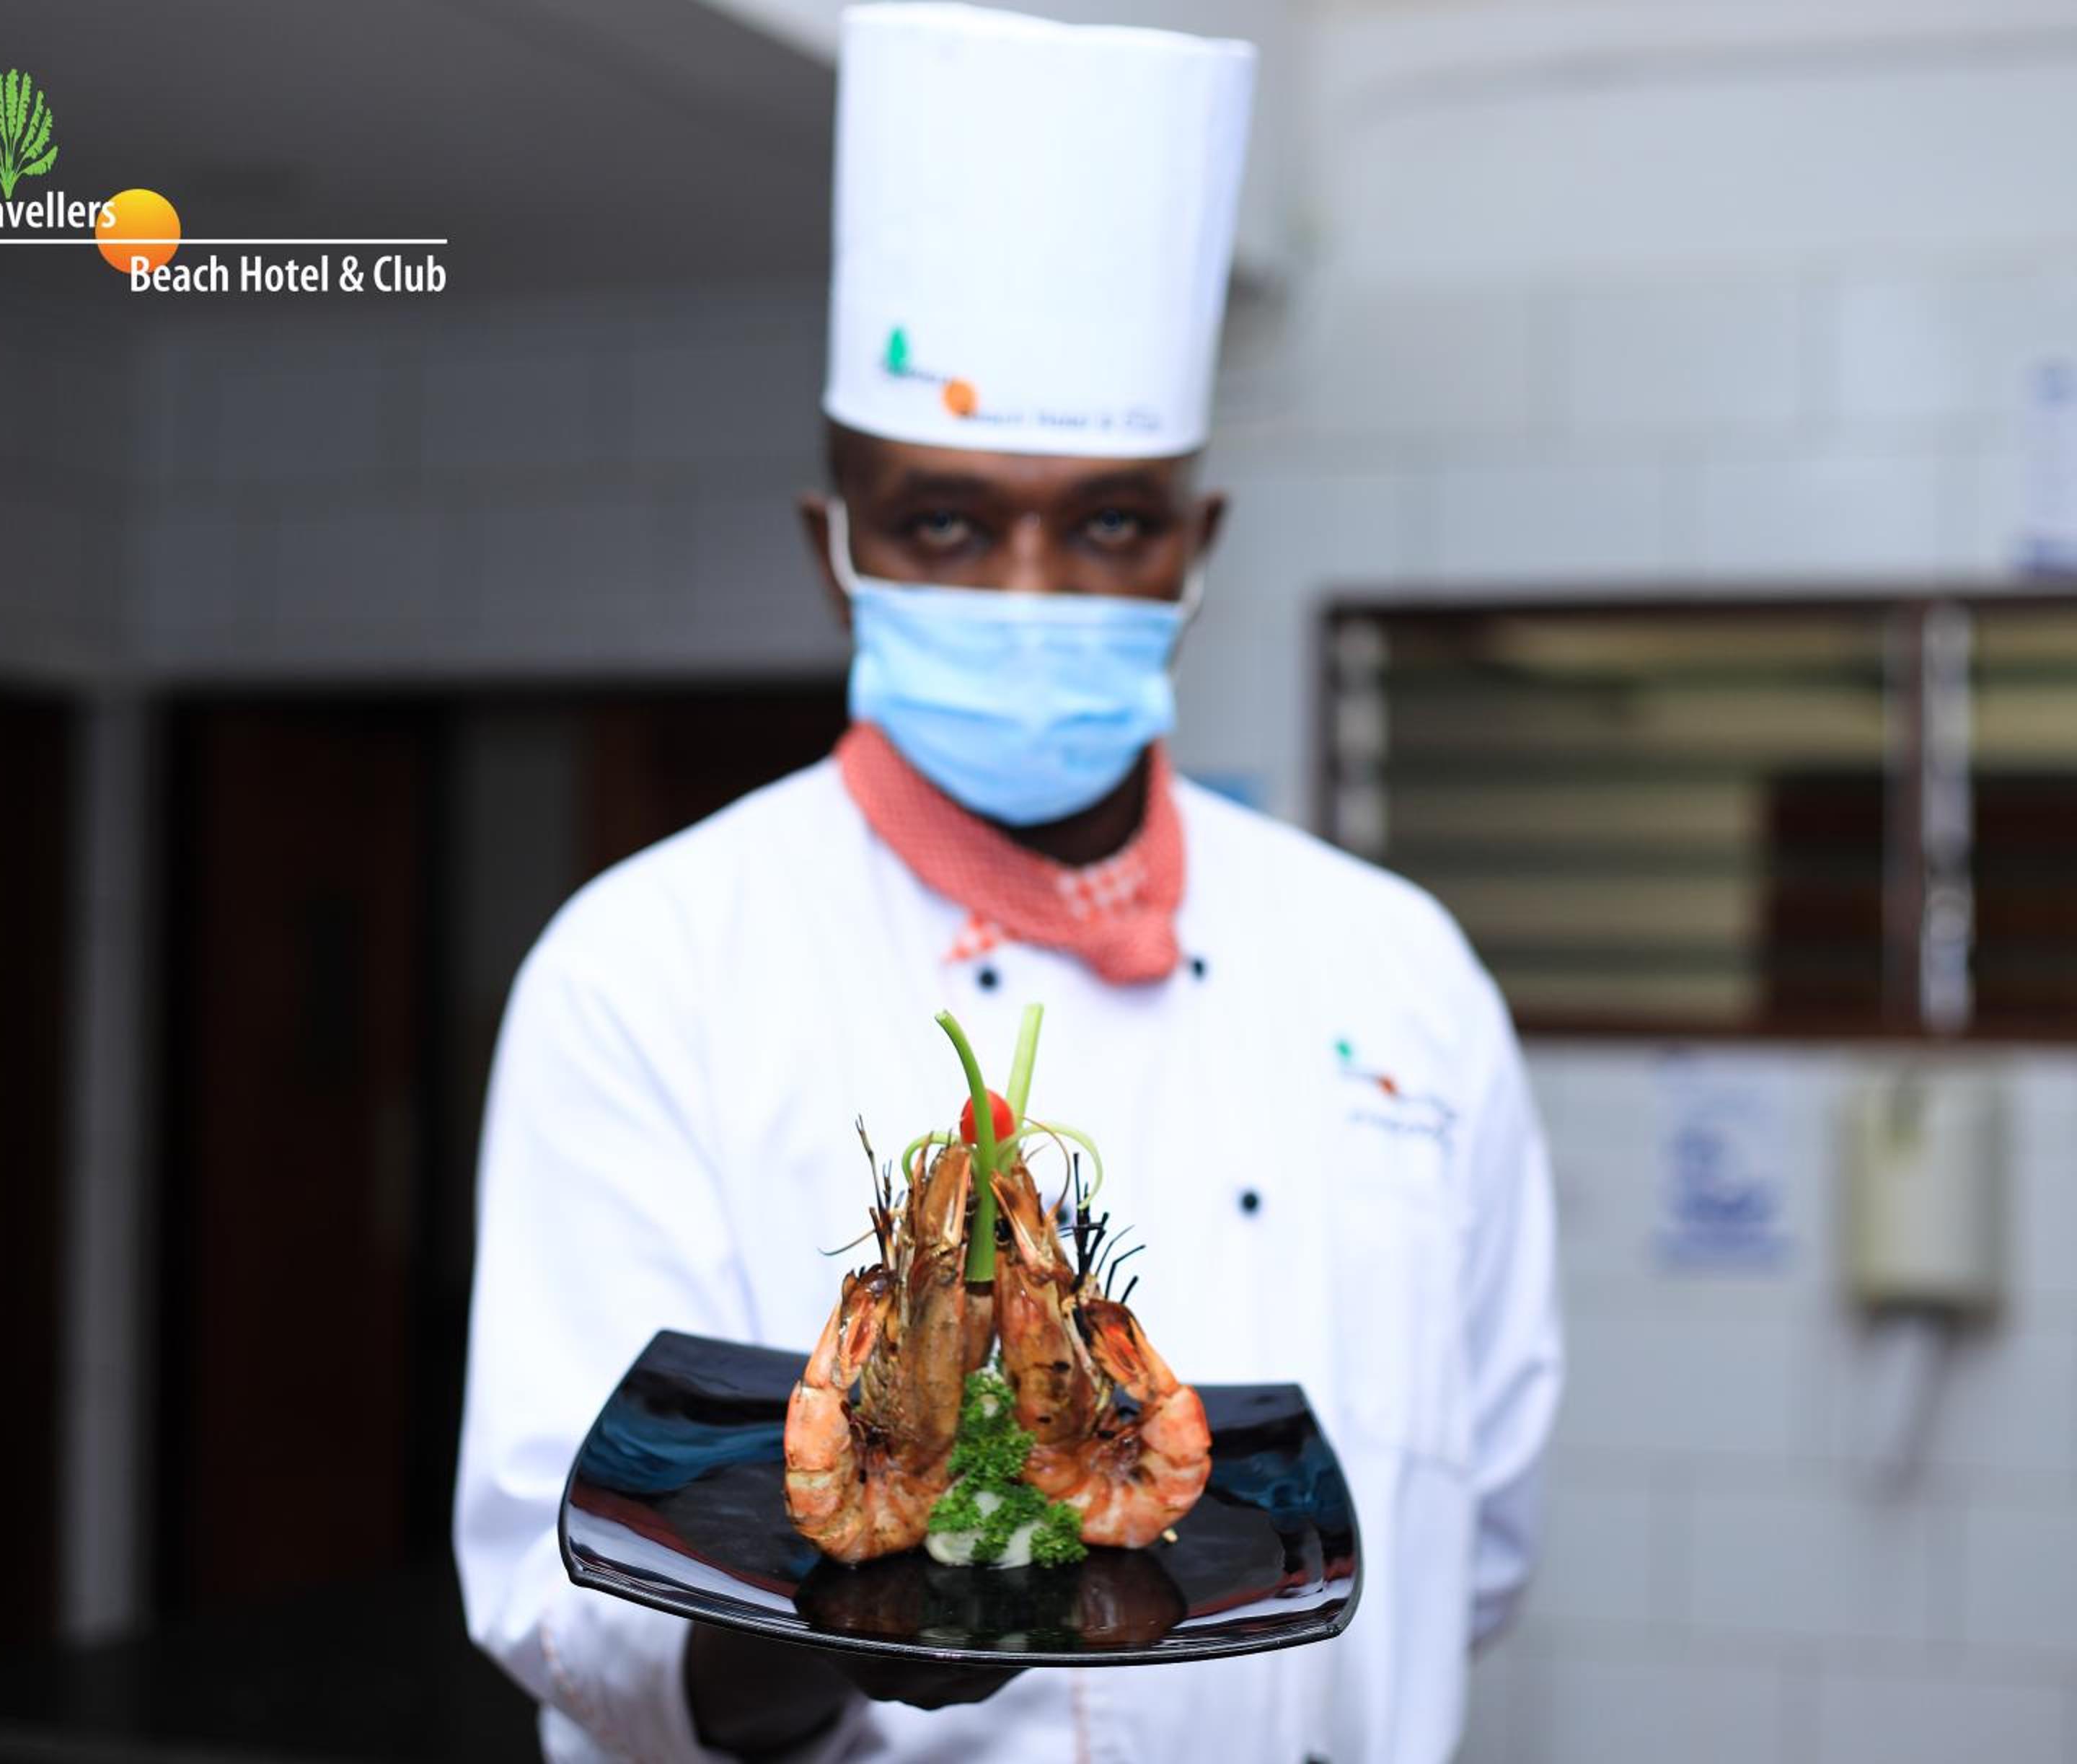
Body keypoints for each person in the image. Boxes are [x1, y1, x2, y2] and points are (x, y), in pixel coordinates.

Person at [452, 5, 1562, 1760]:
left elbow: (1473, 1551)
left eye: (1109, 521)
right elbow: (561, 1594)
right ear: (836, 550)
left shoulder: (1398, 968)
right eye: (948, 522)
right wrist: (821, 1626)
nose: (1031, 587)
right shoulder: (648, 962)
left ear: (1195, 550)